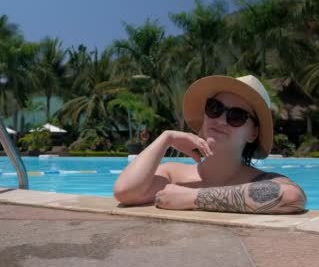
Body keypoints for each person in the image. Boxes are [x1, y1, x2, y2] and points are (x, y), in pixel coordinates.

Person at [113, 75, 306, 214]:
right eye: (214, 108)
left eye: (236, 115)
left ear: (253, 133)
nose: (221, 120)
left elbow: (291, 197)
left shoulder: (262, 180)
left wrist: (192, 198)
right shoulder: (173, 174)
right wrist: (166, 138)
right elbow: (125, 192)